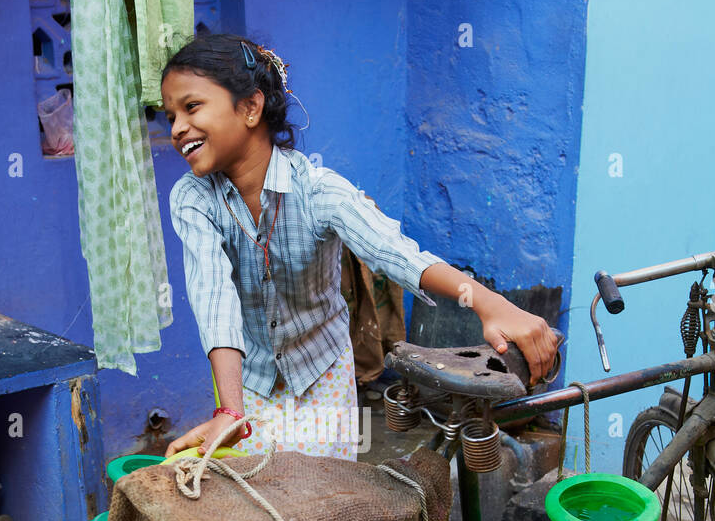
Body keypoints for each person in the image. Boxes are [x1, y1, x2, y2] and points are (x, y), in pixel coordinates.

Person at [162, 33, 558, 461]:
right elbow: (214, 297)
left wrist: (489, 303)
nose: (177, 128)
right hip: (250, 380)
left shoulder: (319, 191)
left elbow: (395, 253)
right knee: (264, 499)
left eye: (191, 107)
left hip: (322, 371)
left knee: (329, 503)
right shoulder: (192, 198)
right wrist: (230, 409)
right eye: (169, 116)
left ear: (251, 107)